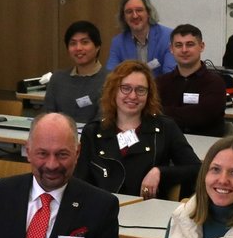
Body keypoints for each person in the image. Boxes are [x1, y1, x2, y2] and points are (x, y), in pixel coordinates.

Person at [77, 61, 199, 200]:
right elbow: (80, 182)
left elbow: (196, 168)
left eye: (140, 90)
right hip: (103, 208)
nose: (133, 96)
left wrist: (160, 172)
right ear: (113, 90)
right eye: (126, 88)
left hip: (148, 209)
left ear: (149, 94)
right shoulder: (93, 132)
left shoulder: (165, 128)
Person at [156, 24, 230, 136]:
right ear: (171, 49)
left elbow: (200, 117)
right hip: (168, 142)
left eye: (190, 44)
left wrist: (161, 112)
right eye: (178, 45)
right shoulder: (160, 83)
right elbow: (148, 112)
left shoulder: (215, 83)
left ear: (201, 46)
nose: (184, 50)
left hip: (206, 143)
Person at [43, 20, 108, 125]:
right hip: (58, 133)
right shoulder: (58, 78)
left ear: (97, 46)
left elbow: (102, 120)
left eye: (85, 42)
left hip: (92, 134)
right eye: (73, 43)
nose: (78, 48)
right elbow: (47, 116)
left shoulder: (110, 79)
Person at [107, 0, 174, 73]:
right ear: (123, 17)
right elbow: (111, 74)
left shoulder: (168, 37)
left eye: (139, 10)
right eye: (129, 12)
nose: (135, 16)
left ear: (148, 12)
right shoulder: (118, 42)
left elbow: (170, 73)